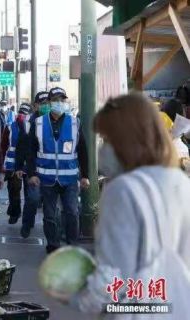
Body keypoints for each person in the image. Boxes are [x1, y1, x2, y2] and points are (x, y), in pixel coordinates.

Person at [70, 93, 190, 318]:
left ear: (126, 141)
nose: (103, 149)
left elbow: (115, 277)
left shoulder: (124, 190)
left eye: (107, 139)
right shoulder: (180, 183)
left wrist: (73, 295)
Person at [27, 87, 90, 253]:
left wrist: (85, 176)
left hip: (70, 178)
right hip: (46, 178)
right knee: (49, 214)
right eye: (56, 100)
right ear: (49, 102)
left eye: (62, 100)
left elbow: (83, 150)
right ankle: (53, 245)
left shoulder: (75, 123)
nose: (59, 103)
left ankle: (72, 245)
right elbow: (31, 150)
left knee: (71, 211)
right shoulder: (38, 123)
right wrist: (32, 173)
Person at [14, 91, 50, 238]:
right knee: (33, 198)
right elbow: (20, 146)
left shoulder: (54, 122)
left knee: (49, 203)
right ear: (35, 106)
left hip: (50, 169)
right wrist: (18, 167)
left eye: (48, 102)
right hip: (31, 168)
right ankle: (27, 225)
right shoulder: (28, 123)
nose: (46, 106)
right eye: (43, 103)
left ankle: (52, 233)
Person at [2, 103, 32, 224]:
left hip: (28, 165)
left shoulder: (33, 127)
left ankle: (27, 218)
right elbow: (3, 146)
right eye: (21, 112)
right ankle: (15, 213)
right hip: (12, 165)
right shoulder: (10, 127)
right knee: (14, 190)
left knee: (29, 194)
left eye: (25, 113)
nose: (22, 115)